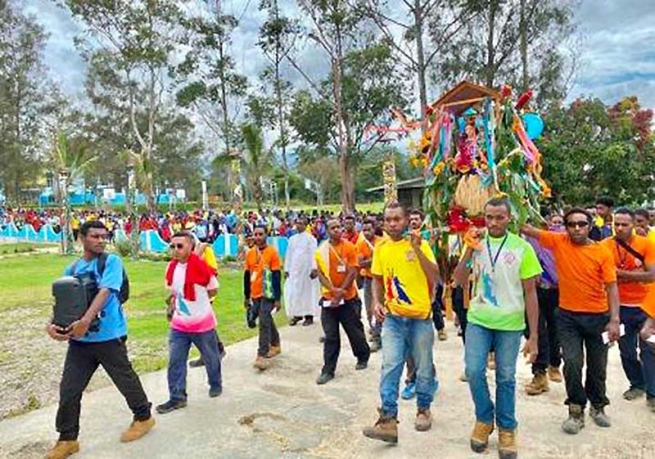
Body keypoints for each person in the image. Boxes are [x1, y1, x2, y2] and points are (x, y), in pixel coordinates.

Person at [45, 221, 154, 459]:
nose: (101, 240)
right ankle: (67, 438)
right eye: (95, 236)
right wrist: (53, 325)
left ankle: (144, 417)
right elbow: (61, 302)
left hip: (108, 336)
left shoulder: (111, 262)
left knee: (124, 379)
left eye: (104, 236)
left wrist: (85, 320)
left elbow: (106, 291)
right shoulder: (71, 269)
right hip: (80, 342)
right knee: (69, 390)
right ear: (81, 238)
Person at [452, 198, 540, 459]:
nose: (493, 222)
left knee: (505, 377)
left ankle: (507, 428)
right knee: (474, 370)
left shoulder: (522, 248)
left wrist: (533, 335)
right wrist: (468, 249)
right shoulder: (476, 244)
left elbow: (530, 293)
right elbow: (457, 280)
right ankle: (483, 418)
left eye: (499, 217)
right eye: (489, 217)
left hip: (510, 325)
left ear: (509, 218)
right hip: (478, 320)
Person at [522, 208, 620, 435]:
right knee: (573, 363)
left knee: (598, 366)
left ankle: (598, 406)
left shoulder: (601, 252)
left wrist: (614, 320)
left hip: (598, 317)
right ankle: (575, 410)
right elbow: (527, 229)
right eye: (572, 224)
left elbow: (612, 286)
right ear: (565, 227)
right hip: (567, 317)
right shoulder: (559, 241)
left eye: (582, 224)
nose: (577, 228)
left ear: (589, 226)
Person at [362, 201, 440, 444]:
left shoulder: (421, 244)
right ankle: (388, 420)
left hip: (420, 318)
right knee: (390, 366)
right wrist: (376, 302)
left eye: (397, 219)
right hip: (394, 319)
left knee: (424, 367)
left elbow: (436, 277)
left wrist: (417, 250)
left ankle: (423, 409)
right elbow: (377, 278)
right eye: (388, 220)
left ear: (406, 220)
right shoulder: (382, 248)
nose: (393, 224)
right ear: (383, 223)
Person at [157, 232, 222, 414]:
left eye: (180, 246)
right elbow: (174, 291)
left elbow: (213, 289)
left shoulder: (201, 268)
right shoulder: (171, 268)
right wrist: (174, 306)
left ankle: (215, 383)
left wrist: (198, 305)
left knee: (211, 357)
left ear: (190, 248)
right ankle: (177, 398)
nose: (175, 250)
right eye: (173, 246)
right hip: (179, 325)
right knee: (175, 361)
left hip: (202, 324)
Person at [600, 208, 655, 409]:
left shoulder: (647, 244)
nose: (620, 228)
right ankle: (637, 384)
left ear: (634, 225)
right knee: (627, 350)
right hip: (619, 308)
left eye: (625, 224)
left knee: (649, 348)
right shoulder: (605, 245)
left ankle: (652, 393)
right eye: (617, 224)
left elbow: (652, 275)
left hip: (646, 306)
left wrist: (619, 274)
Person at [314, 218, 370, 385]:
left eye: (339, 227)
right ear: (327, 230)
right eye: (333, 228)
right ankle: (328, 370)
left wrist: (341, 292)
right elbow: (321, 274)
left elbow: (353, 271)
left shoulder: (349, 247)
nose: (337, 230)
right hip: (329, 300)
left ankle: (362, 356)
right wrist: (333, 291)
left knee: (354, 331)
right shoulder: (321, 250)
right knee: (331, 335)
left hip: (348, 298)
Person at [524, 212, 564, 396]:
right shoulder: (527, 242)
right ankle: (539, 373)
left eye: (560, 222)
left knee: (555, 329)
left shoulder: (562, 240)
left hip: (559, 291)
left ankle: (554, 364)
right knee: (536, 330)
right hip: (535, 291)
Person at [244, 225, 282, 371]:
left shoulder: (272, 252)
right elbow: (247, 276)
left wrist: (278, 299)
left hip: (268, 293)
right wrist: (246, 296)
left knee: (264, 321)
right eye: (256, 234)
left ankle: (262, 354)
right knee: (265, 318)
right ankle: (276, 344)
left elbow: (276, 276)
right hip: (255, 292)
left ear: (267, 235)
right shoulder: (250, 253)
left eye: (261, 234)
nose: (258, 237)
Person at [189, 239, 227, 367]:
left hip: (205, 292)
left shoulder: (206, 250)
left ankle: (216, 350)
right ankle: (210, 352)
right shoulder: (186, 251)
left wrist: (197, 258)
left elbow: (213, 270)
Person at [284, 217, 320, 326]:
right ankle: (297, 315)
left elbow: (314, 254)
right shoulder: (292, 239)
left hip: (307, 271)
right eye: (297, 223)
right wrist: (287, 269)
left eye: (301, 223)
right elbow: (289, 255)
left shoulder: (311, 239)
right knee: (294, 292)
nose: (298, 225)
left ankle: (309, 316)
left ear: (305, 225)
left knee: (307, 293)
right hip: (295, 271)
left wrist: (314, 268)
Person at [356, 219, 382, 352]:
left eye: (369, 229)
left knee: (379, 306)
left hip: (381, 280)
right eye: (364, 230)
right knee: (369, 308)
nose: (366, 232)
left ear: (374, 229)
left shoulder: (381, 241)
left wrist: (370, 261)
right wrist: (376, 259)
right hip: (368, 279)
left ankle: (378, 337)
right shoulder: (361, 244)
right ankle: (374, 330)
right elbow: (360, 263)